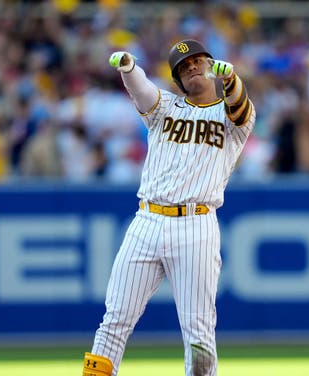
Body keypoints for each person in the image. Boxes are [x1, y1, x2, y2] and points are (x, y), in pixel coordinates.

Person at [82, 39, 255, 376]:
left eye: (196, 61)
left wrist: (231, 79)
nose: (191, 67)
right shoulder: (167, 108)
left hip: (197, 224)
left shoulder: (232, 120)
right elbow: (142, 91)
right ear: (177, 78)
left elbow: (240, 105)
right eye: (183, 66)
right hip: (147, 219)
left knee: (199, 333)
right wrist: (130, 69)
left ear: (210, 62)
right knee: (115, 319)